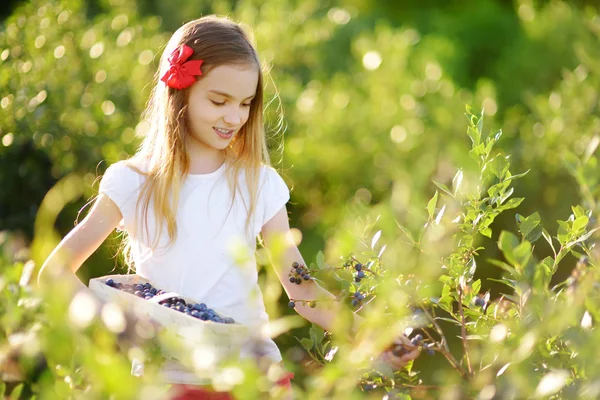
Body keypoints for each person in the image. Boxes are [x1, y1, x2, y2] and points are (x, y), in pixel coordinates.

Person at [37, 15, 419, 399]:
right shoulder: (133, 181)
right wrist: (114, 324)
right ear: (180, 93)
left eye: (245, 104)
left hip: (254, 379)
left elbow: (301, 288)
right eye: (219, 101)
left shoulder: (258, 183)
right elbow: (54, 272)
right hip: (166, 382)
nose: (234, 117)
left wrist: (371, 334)